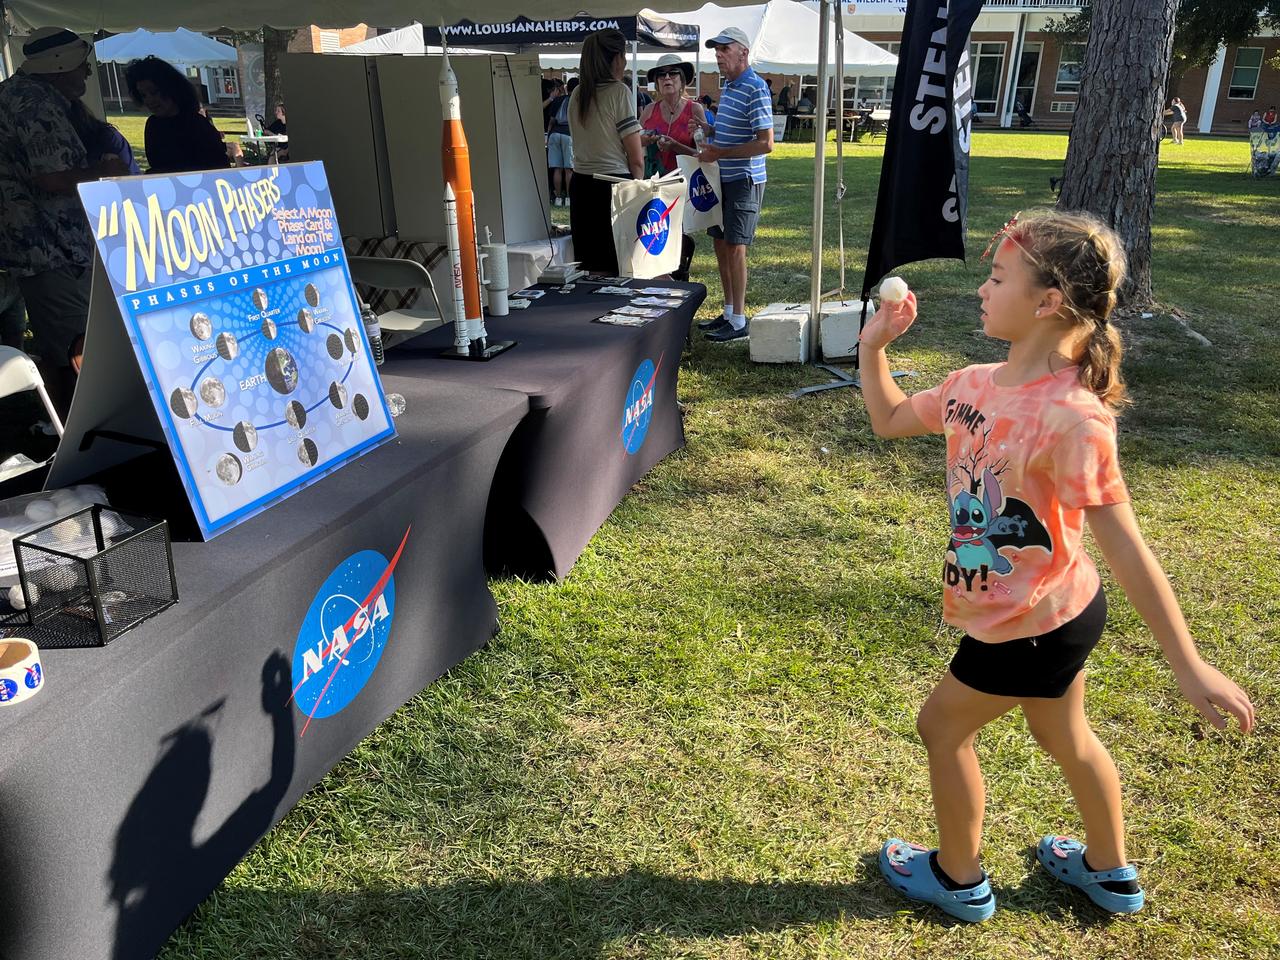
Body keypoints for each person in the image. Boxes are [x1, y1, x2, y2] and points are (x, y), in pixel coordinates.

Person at [857, 210, 1255, 923]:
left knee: (941, 728)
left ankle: (957, 878)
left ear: (1047, 302)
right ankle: (1109, 871)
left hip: (1029, 623)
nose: (982, 289)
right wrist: (872, 348)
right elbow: (888, 419)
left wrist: (1188, 664)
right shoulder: (970, 385)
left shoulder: (1074, 418)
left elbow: (1126, 546)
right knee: (1063, 736)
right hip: (1058, 610)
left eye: (997, 277)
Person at [0, 27, 131, 412]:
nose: (87, 73)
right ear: (59, 66)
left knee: (59, 342)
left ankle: (61, 420)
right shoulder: (36, 104)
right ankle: (86, 423)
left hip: (34, 245)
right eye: (81, 65)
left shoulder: (15, 94)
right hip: (51, 247)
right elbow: (52, 177)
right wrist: (105, 170)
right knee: (76, 347)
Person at [692, 26, 774, 343]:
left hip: (744, 179)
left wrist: (720, 152)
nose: (718, 55)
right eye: (717, 50)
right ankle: (728, 312)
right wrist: (709, 129)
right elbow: (731, 131)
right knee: (720, 243)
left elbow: (766, 143)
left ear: (744, 52)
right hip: (722, 177)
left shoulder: (755, 87)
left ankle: (739, 320)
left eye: (725, 49)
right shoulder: (729, 86)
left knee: (735, 246)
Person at [568, 29, 644, 274]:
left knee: (588, 267)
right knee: (620, 267)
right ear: (616, 58)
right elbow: (636, 159)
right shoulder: (619, 92)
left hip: (581, 186)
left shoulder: (577, 94)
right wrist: (639, 190)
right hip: (613, 186)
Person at [639, 54, 707, 282]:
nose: (667, 78)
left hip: (683, 186)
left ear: (682, 79)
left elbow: (704, 155)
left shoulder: (694, 110)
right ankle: (660, 285)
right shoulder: (649, 111)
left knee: (676, 239)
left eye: (673, 73)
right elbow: (635, 143)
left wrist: (676, 146)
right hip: (654, 185)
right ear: (656, 82)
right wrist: (645, 139)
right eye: (661, 75)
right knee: (655, 240)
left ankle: (679, 282)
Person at [125, 56, 229, 174]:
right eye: (143, 95)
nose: (149, 100)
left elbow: (219, 167)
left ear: (171, 89)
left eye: (154, 92)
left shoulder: (197, 124)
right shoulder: (153, 125)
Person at [546, 78, 577, 208]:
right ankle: (569, 198)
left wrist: (548, 135)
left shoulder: (558, 100)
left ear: (566, 88)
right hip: (569, 134)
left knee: (557, 168)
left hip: (554, 134)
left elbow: (551, 121)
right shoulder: (577, 101)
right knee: (569, 169)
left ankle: (558, 198)